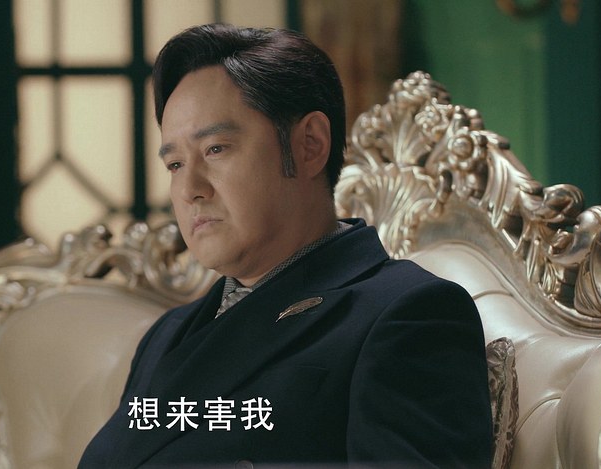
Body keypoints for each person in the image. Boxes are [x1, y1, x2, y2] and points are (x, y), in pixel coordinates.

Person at [79, 23, 493, 468]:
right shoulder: (167, 335)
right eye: (175, 164)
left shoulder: (408, 313)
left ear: (310, 145)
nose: (189, 189)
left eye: (216, 149)